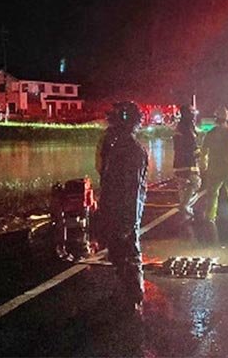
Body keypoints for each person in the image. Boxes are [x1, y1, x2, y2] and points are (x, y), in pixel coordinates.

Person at [98, 101, 148, 314]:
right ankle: (126, 292)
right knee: (117, 253)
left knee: (128, 251)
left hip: (125, 211)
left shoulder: (133, 151)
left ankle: (134, 296)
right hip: (113, 207)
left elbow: (133, 190)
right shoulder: (114, 145)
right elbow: (105, 175)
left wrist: (129, 220)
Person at [200, 106, 228, 225]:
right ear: (226, 118)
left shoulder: (210, 133)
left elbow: (203, 151)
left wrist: (202, 166)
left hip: (214, 167)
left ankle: (209, 216)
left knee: (212, 194)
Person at [173, 104, 201, 216]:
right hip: (188, 162)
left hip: (178, 161)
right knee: (195, 183)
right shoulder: (187, 128)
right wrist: (201, 156)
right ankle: (184, 205)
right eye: (192, 112)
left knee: (183, 185)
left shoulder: (180, 126)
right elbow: (192, 146)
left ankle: (184, 207)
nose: (194, 114)